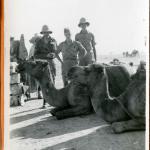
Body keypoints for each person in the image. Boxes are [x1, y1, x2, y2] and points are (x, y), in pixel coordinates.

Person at [34, 25, 61, 108]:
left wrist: (53, 54)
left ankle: (54, 101)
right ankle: (45, 102)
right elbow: (36, 55)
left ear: (49, 32)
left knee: (52, 82)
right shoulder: (39, 42)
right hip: (43, 65)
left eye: (47, 32)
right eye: (44, 32)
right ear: (42, 33)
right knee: (44, 83)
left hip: (52, 64)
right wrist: (46, 55)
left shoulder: (54, 40)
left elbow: (56, 52)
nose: (46, 34)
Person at [28, 34, 42, 99]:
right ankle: (38, 93)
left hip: (40, 65)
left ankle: (40, 93)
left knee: (40, 80)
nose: (36, 41)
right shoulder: (32, 48)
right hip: (34, 65)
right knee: (36, 80)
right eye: (35, 40)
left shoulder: (41, 46)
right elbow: (30, 57)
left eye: (38, 40)